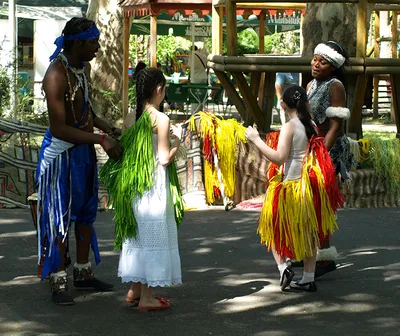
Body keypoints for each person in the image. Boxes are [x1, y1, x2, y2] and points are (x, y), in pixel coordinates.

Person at [35, 17, 123, 305]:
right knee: (60, 218)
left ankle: (83, 274)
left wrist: (106, 126)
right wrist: (100, 140)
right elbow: (59, 128)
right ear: (78, 43)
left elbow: (85, 112)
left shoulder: (81, 69)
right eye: (93, 42)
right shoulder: (55, 75)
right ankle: (58, 280)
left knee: (86, 213)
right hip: (62, 155)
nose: (98, 47)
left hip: (82, 151)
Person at [245, 85, 342, 292]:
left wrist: (255, 140)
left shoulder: (290, 127)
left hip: (290, 187)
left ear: (283, 105)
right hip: (308, 187)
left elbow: (279, 158)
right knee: (308, 233)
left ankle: (283, 268)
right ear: (306, 103)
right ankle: (308, 278)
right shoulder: (311, 125)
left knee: (272, 228)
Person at [115, 68, 183, 311]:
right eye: (164, 88)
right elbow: (164, 159)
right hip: (154, 185)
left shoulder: (130, 117)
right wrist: (178, 140)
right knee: (153, 235)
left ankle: (134, 289)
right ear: (157, 90)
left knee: (138, 234)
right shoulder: (161, 119)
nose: (165, 93)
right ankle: (147, 297)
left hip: (135, 186)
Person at [305, 41, 354, 278]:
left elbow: (335, 125)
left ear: (332, 66)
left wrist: (322, 153)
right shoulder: (311, 84)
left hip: (330, 150)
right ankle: (311, 255)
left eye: (322, 62)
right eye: (315, 59)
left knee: (320, 203)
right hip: (314, 147)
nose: (316, 64)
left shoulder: (335, 86)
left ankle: (324, 259)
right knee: (309, 201)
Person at [188, 46, 208, 113]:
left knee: (195, 97)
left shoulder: (192, 57)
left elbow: (190, 69)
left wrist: (188, 78)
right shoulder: (203, 56)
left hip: (195, 78)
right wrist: (206, 75)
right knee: (202, 96)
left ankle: (194, 113)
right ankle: (201, 112)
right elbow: (208, 67)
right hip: (204, 77)